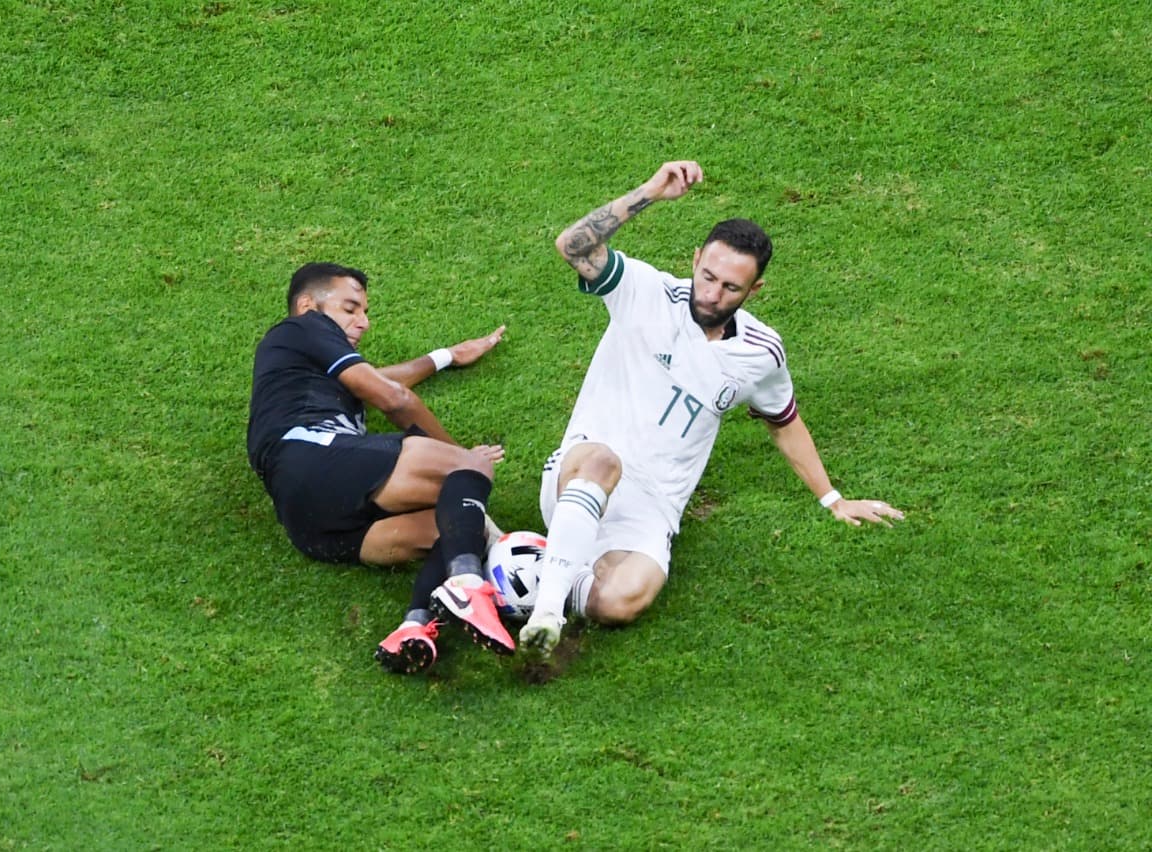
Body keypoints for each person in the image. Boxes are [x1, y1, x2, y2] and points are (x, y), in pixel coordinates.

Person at [519, 161, 905, 659]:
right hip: (581, 472)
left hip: (652, 510)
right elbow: (572, 245)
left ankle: (525, 567)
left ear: (754, 291)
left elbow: (784, 422)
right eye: (708, 276)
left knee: (621, 602)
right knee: (603, 462)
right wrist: (649, 193)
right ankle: (546, 609)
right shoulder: (645, 291)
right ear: (696, 258)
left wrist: (833, 499)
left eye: (730, 289)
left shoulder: (761, 353)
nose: (712, 293)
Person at [246, 262, 516, 674]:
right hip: (313, 457)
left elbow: (386, 379)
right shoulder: (303, 327)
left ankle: (414, 626)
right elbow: (394, 398)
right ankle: (466, 584)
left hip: (312, 525)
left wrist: (448, 356)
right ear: (308, 305)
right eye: (351, 308)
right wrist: (464, 465)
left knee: (462, 527)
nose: (364, 322)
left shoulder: (307, 374)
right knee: (467, 477)